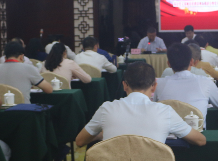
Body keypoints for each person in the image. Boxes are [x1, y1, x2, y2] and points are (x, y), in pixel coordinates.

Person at [75, 62, 206, 147]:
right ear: (154, 86)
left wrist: (102, 134)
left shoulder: (106, 109)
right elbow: (200, 140)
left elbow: (80, 141)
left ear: (124, 86)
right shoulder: (165, 111)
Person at [154, 43, 218, 127]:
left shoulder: (159, 84)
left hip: (167, 134)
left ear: (168, 64)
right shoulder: (205, 81)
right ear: (191, 61)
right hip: (196, 133)